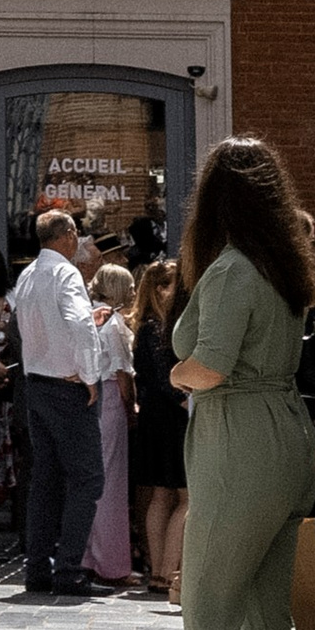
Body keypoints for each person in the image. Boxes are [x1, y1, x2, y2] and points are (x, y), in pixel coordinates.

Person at [161, 137, 315, 630]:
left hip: (241, 440)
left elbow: (210, 365)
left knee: (206, 610)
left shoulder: (231, 269)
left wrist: (174, 375)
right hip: (290, 437)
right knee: (266, 615)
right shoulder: (285, 268)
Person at [8, 205, 107, 598]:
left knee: (46, 480)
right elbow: (79, 323)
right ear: (66, 235)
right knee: (86, 478)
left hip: (37, 383)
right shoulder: (65, 272)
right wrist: (89, 375)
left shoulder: (29, 274)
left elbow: (29, 324)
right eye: (76, 234)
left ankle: (38, 569)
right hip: (67, 387)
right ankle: (68, 570)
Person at [128, 253, 188, 599]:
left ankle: (159, 570)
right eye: (174, 285)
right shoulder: (156, 329)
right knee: (184, 496)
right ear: (159, 289)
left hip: (155, 418)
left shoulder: (148, 327)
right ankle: (165, 572)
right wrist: (187, 402)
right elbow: (167, 381)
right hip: (170, 418)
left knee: (162, 495)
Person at [87, 261, 137, 585]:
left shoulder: (89, 317)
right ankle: (113, 565)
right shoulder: (114, 323)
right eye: (130, 286)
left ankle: (90, 555)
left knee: (93, 481)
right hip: (110, 402)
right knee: (112, 485)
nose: (134, 291)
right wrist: (131, 406)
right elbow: (122, 374)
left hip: (90, 401)